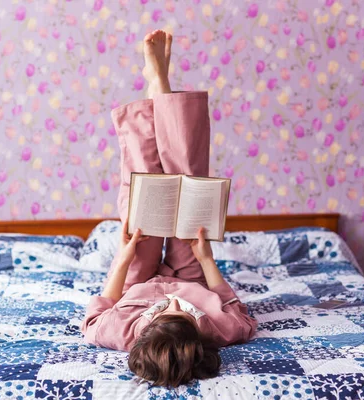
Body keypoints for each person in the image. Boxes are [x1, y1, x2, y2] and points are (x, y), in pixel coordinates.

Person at [82, 30, 257, 387]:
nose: (173, 303)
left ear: (143, 330)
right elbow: (230, 304)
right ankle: (161, 81)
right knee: (188, 178)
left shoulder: (120, 331)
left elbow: (99, 311)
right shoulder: (222, 330)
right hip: (192, 276)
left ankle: (154, 84)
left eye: (163, 312)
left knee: (140, 182)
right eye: (184, 313)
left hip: (138, 280)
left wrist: (123, 256)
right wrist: (207, 259)